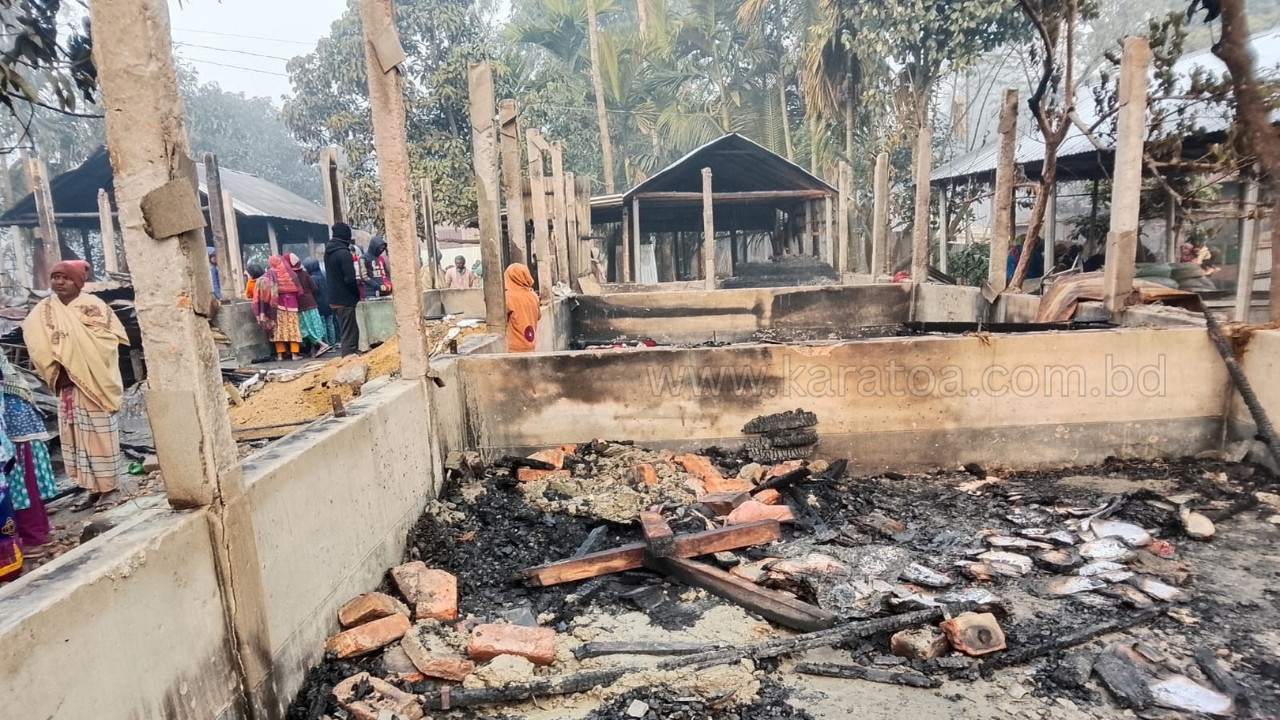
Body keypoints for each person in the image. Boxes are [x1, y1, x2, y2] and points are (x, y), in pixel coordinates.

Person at [22, 260, 129, 511]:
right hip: (66, 384)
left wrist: (71, 347)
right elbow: (33, 337)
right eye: (55, 277)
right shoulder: (44, 309)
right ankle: (92, 489)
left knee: (99, 437)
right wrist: (57, 357)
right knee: (76, 439)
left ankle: (110, 488)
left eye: (65, 278)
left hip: (93, 382)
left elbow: (107, 342)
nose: (59, 282)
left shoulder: (94, 306)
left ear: (78, 282)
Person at [1, 354, 55, 559]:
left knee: (20, 484)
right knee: (28, 481)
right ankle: (41, 532)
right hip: (19, 418)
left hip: (13, 423)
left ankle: (32, 540)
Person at [325, 223, 362, 356]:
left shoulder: (329, 252)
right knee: (349, 334)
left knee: (347, 330)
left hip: (334, 297)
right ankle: (349, 359)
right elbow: (350, 279)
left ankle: (350, 356)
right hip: (345, 298)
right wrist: (356, 293)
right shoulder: (344, 253)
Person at [259, 255, 304, 361]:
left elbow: (264, 287)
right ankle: (294, 355)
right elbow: (300, 292)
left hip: (278, 306)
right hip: (292, 305)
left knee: (278, 330)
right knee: (293, 329)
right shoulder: (292, 274)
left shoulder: (270, 274)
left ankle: (280, 355)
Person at [290, 254, 331, 357]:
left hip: (302, 306)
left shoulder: (291, 276)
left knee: (305, 329)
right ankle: (314, 350)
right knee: (316, 326)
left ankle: (322, 345)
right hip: (313, 303)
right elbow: (314, 288)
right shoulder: (306, 274)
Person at [504, 263, 541, 353]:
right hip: (531, 343)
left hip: (514, 348)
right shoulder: (533, 295)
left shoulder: (508, 297)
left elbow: (500, 319)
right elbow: (539, 316)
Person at [304, 258, 338, 347]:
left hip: (319, 304)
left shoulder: (312, 278)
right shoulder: (325, 274)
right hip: (329, 303)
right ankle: (333, 343)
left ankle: (326, 344)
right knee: (330, 324)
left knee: (322, 325)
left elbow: (314, 291)